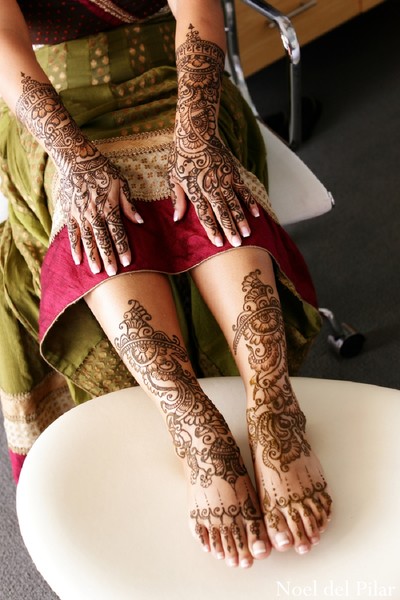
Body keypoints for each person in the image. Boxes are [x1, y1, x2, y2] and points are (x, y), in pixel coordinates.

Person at [0, 0, 332, 569]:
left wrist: (198, 140)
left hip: (181, 76)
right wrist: (76, 162)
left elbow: (198, 11)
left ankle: (273, 406)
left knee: (210, 194)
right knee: (92, 219)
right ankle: (193, 426)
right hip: (53, 96)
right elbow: (5, 42)